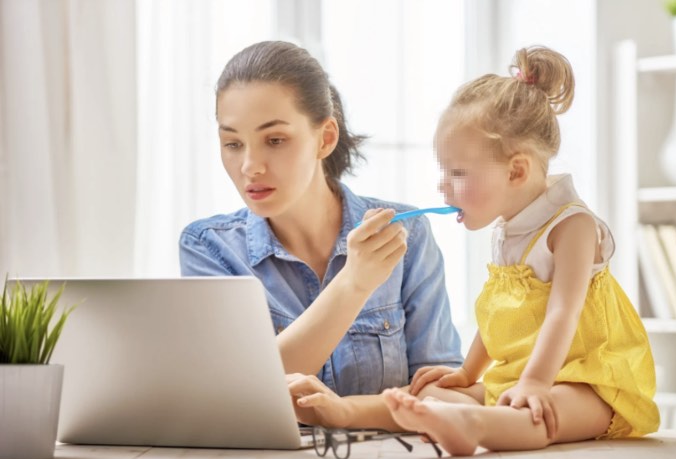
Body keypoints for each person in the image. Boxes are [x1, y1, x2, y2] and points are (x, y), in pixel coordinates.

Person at [382, 46, 660, 455]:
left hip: (592, 382)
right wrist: (467, 372)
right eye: (443, 172)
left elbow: (562, 314)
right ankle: (463, 417)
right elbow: (498, 313)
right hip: (527, 375)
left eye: (457, 173)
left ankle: (474, 425)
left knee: (539, 416)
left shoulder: (573, 227)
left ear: (516, 170)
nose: (443, 187)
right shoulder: (507, 232)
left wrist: (534, 383)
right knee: (437, 396)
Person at [179, 40, 463, 430]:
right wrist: (353, 284)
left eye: (275, 140)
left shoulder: (405, 232)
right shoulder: (208, 248)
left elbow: (443, 393)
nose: (249, 166)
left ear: (325, 138)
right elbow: (234, 393)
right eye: (232, 143)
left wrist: (348, 412)